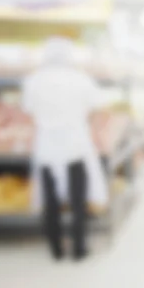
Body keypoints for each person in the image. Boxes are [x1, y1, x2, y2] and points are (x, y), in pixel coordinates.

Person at [22, 37, 108, 261]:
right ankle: (79, 247)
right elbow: (96, 108)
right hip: (75, 146)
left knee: (50, 203)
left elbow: (28, 110)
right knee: (78, 200)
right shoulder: (80, 80)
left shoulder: (33, 81)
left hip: (47, 147)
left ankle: (56, 249)